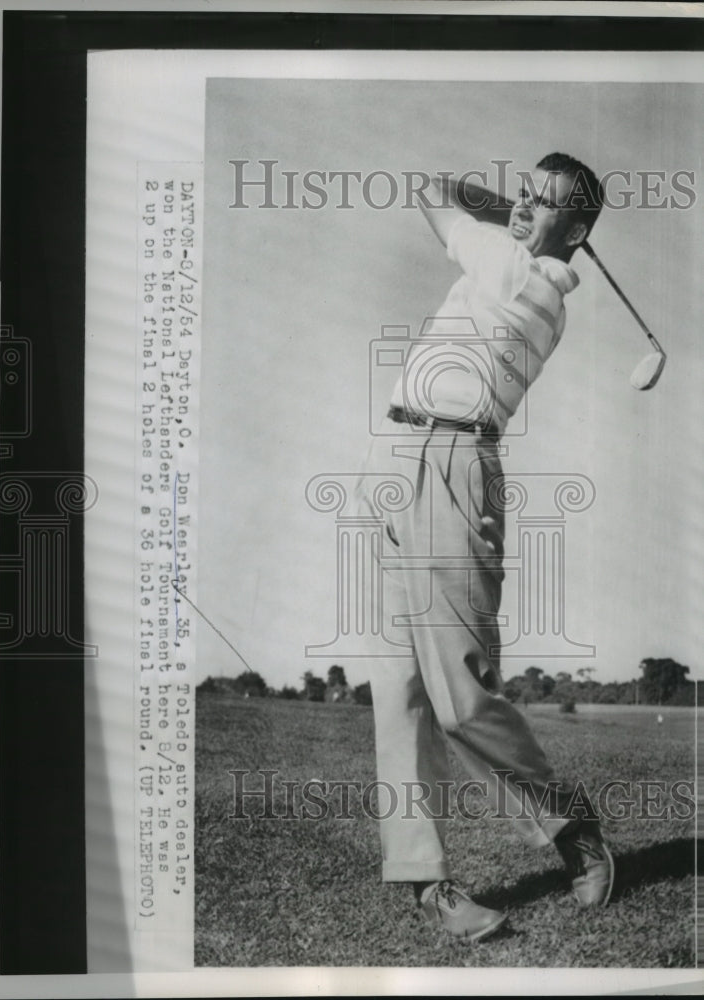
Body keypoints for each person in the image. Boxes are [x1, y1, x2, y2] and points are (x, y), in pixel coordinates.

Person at [353, 153, 613, 942]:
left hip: (456, 466)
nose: (526, 210)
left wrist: (511, 213)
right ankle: (426, 882)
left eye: (547, 205)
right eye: (524, 195)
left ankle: (572, 827)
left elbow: (428, 187)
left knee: (461, 695)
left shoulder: (519, 273)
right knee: (398, 693)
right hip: (395, 458)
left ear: (579, 229)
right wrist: (534, 208)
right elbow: (455, 199)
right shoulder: (520, 257)